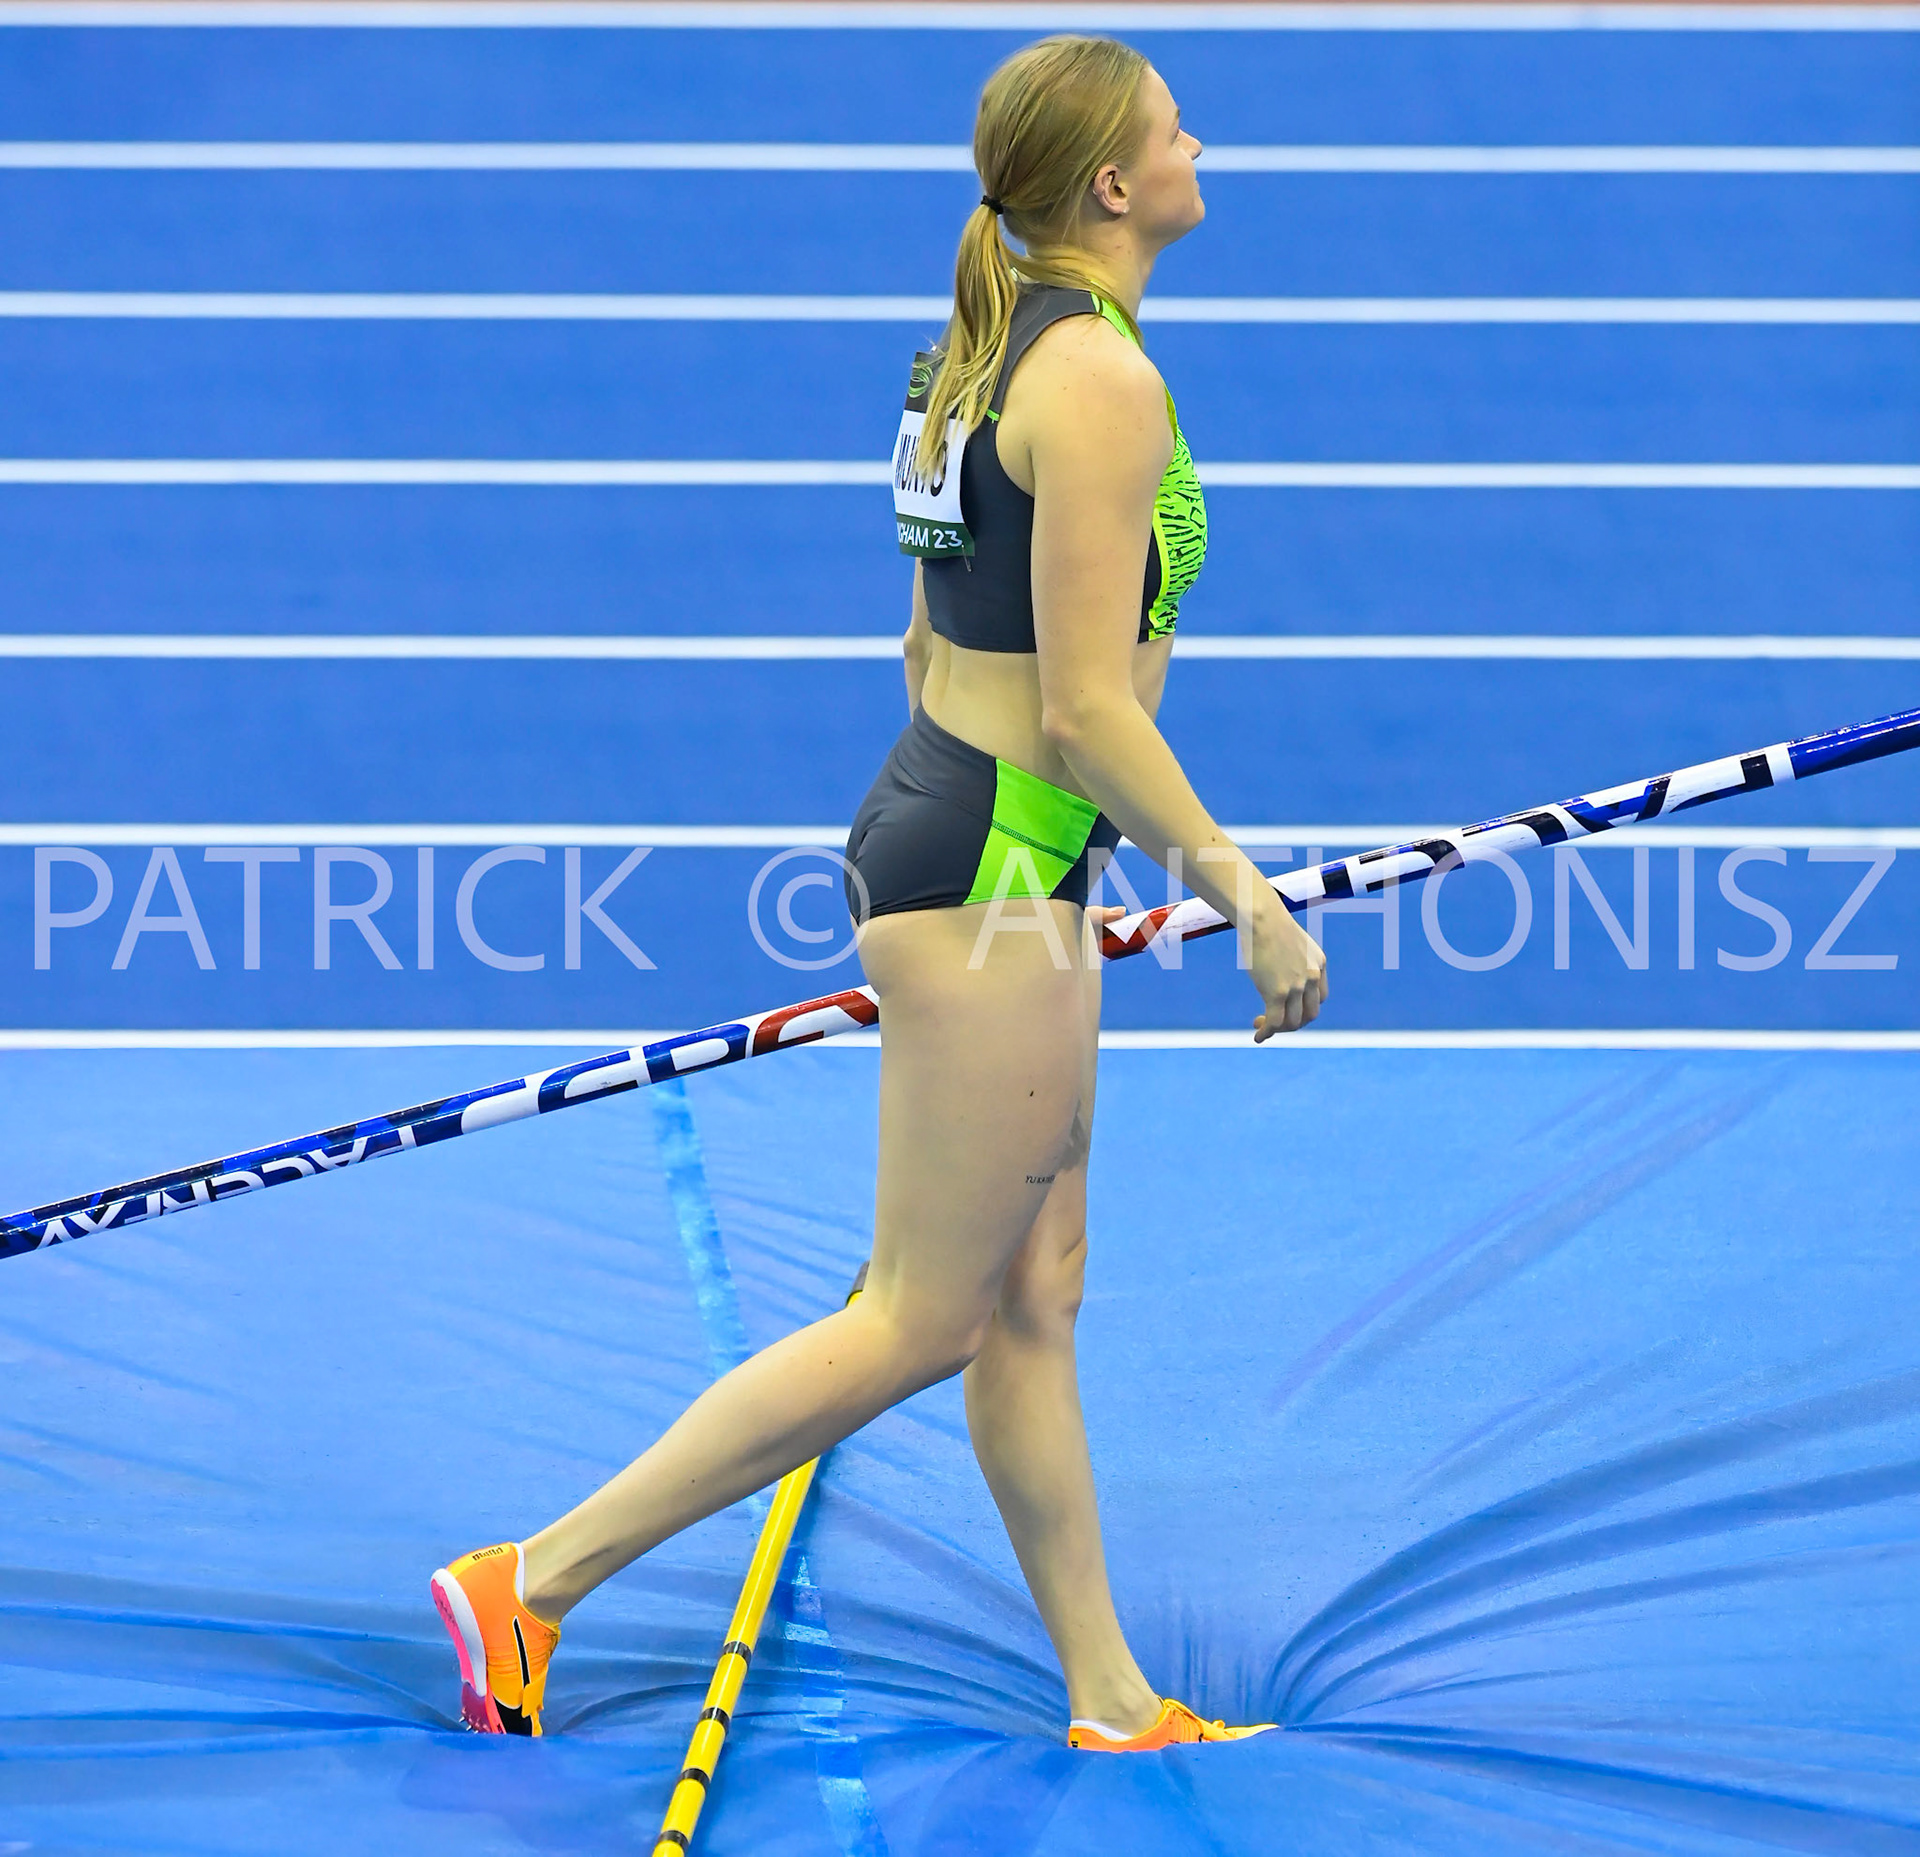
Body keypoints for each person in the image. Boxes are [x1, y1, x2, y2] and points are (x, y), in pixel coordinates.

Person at [431, 33, 1328, 1754]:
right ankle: (531, 1581)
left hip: (984, 843)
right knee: (920, 1312)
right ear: (1113, 189)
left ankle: (1110, 1695)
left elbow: (929, 640)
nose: (1202, 141)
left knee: (1032, 1296)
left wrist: (1049, 861)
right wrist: (1244, 894)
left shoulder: (987, 347)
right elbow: (1082, 705)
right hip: (991, 860)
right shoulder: (1099, 384)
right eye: (1170, 129)